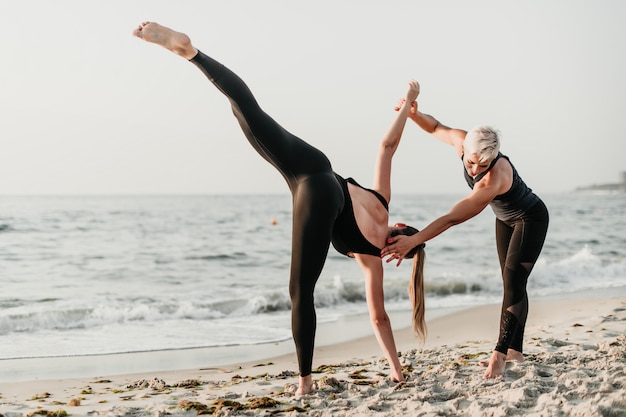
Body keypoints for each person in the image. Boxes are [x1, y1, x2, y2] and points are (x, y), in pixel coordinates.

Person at [132, 21, 426, 395]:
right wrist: (395, 369)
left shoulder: (382, 201)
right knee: (301, 292)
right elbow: (379, 318)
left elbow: (387, 147)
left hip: (316, 165)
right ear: (396, 253)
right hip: (316, 193)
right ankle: (305, 383)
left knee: (249, 113)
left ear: (401, 225)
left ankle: (192, 54)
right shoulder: (371, 256)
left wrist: (408, 103)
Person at [381, 92, 549, 379]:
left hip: (530, 219)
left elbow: (451, 218)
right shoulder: (463, 142)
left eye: (483, 165)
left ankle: (500, 354)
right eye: (471, 163)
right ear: (466, 150)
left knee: (513, 281)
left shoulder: (493, 180)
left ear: (493, 158)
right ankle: (515, 351)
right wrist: (414, 114)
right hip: (505, 220)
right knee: (512, 282)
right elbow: (436, 128)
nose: (475, 170)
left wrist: (415, 239)